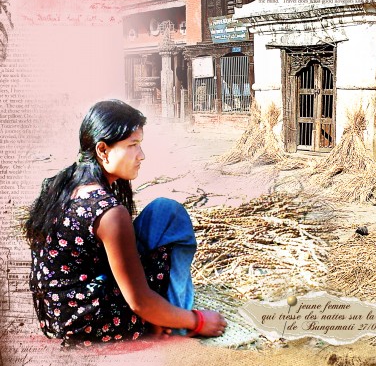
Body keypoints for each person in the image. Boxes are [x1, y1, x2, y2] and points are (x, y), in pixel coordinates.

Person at [23, 99, 226, 346]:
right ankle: (174, 319)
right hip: (90, 322)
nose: (141, 155)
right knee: (167, 249)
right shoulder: (109, 212)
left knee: (165, 211)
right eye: (133, 145)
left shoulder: (62, 184)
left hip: (58, 313)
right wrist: (197, 320)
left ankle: (164, 313)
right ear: (102, 150)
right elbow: (139, 301)